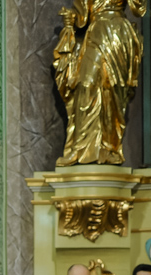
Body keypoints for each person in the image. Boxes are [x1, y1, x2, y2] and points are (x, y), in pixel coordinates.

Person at [53, 0, 146, 166]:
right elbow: (82, 14)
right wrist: (71, 17)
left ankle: (110, 148)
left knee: (113, 91)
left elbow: (138, 9)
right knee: (85, 85)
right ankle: (79, 148)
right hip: (96, 32)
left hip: (118, 33)